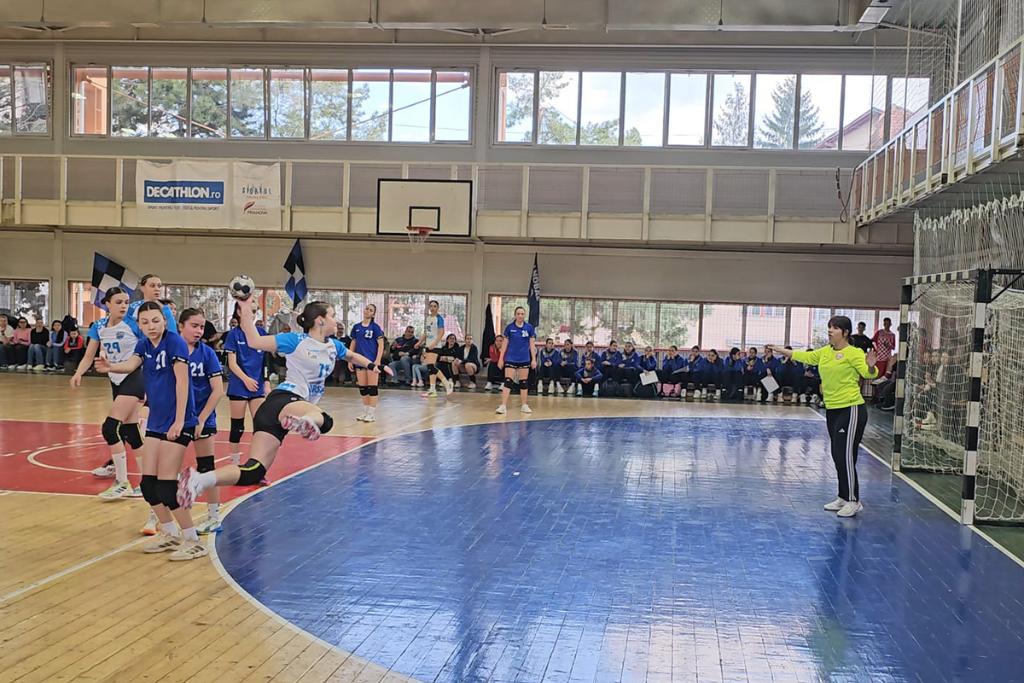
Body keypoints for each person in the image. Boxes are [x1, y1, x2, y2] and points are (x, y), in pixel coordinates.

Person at [176, 300, 392, 509]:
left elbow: (353, 356)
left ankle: (200, 480)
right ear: (319, 320)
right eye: (333, 316)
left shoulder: (334, 346)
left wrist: (375, 366)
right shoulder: (295, 340)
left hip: (272, 413)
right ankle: (304, 422)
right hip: (285, 399)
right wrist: (245, 310)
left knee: (254, 471)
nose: (336, 321)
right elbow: (254, 341)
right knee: (325, 421)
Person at [93, 301, 207, 560]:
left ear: (164, 321)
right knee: (148, 485)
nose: (150, 326)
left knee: (167, 486)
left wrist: (180, 421)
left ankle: (192, 539)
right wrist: (110, 367)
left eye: (155, 321)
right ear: (139, 325)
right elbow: (131, 364)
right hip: (156, 422)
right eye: (144, 322)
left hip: (179, 422)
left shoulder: (175, 343)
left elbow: (182, 382)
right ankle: (169, 533)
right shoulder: (144, 345)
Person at [770, 315, 878, 518]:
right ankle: (843, 496)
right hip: (833, 409)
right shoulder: (825, 352)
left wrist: (871, 366)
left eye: (834, 328)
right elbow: (805, 357)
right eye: (829, 327)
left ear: (845, 333)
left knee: (845, 455)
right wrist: (780, 349)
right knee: (838, 455)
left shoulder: (853, 353)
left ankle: (854, 501)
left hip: (851, 409)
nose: (830, 331)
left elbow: (869, 373)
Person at [71, 288, 148, 508]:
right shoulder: (99, 327)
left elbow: (149, 350)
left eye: (126, 302)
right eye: (119, 302)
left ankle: (121, 481)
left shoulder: (133, 325)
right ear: (107, 304)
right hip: (115, 379)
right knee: (131, 432)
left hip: (134, 376)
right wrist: (78, 373)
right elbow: (89, 355)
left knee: (110, 428)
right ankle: (146, 482)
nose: (124, 306)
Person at [178, 309, 227, 535]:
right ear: (181, 326)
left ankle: (214, 516)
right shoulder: (170, 352)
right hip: (175, 419)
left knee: (206, 467)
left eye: (201, 327)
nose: (198, 331)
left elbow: (217, 390)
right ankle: (157, 517)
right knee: (167, 470)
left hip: (202, 418)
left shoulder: (207, 354)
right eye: (194, 326)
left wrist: (201, 419)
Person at [223, 303, 270, 468]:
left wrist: (266, 382)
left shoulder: (262, 334)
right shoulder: (233, 335)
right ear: (238, 312)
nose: (253, 313)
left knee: (261, 426)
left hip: (257, 385)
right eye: (250, 310)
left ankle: (256, 464)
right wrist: (245, 379)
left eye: (255, 311)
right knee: (237, 426)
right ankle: (234, 464)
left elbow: (266, 361)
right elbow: (232, 364)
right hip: (239, 384)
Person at [497, 306, 537, 415]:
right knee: (508, 381)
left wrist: (533, 359)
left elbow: (532, 345)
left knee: (523, 382)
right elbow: (504, 344)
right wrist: (501, 359)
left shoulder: (529, 328)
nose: (520, 316)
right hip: (511, 358)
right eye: (518, 314)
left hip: (524, 358)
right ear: (515, 315)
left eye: (522, 314)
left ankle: (524, 405)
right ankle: (503, 406)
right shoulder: (509, 328)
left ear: (524, 315)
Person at [350, 303, 385, 422]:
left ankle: (371, 413)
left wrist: (378, 360)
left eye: (370, 310)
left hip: (371, 361)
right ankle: (365, 411)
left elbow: (381, 345)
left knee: (372, 388)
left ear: (373, 314)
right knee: (363, 388)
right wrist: (350, 358)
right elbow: (353, 343)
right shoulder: (356, 327)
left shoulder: (375, 327)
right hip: (359, 361)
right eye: (366, 309)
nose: (367, 311)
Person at [419, 300, 454, 399]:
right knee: (430, 369)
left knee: (431, 366)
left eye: (435, 306)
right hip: (428, 345)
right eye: (431, 306)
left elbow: (441, 333)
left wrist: (434, 344)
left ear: (437, 308)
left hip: (436, 346)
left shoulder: (439, 319)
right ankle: (432, 390)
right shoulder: (428, 318)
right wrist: (419, 342)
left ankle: (447, 384)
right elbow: (426, 333)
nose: (432, 308)